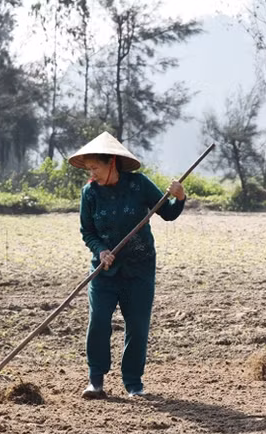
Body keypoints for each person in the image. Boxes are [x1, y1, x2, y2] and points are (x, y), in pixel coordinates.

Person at [69, 132, 186, 398]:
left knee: (137, 324)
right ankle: (95, 381)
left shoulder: (139, 185)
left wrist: (179, 197)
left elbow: (167, 212)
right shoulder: (89, 193)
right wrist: (101, 251)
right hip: (104, 270)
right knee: (98, 320)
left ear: (111, 162)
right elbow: (88, 231)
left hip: (139, 268)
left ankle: (133, 383)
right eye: (89, 169)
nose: (92, 174)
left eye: (95, 168)